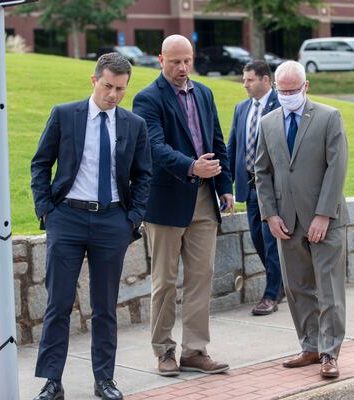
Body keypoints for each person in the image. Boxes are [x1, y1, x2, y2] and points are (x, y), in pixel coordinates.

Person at [30, 53, 152, 400]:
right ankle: (52, 381)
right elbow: (41, 164)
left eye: (120, 89)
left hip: (112, 221)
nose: (113, 94)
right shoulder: (65, 115)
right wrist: (46, 212)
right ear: (93, 80)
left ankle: (105, 380)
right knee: (59, 303)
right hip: (66, 218)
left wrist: (132, 219)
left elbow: (144, 175)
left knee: (105, 307)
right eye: (107, 86)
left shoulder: (133, 124)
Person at [132, 34, 234, 377]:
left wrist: (225, 186)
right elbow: (154, 148)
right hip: (166, 203)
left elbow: (217, 141)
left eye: (187, 60)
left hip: (205, 199)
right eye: (175, 61)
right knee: (165, 281)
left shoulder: (204, 93)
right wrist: (191, 166)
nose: (182, 67)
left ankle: (195, 350)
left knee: (201, 277)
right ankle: (164, 351)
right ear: (160, 60)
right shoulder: (147, 99)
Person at [254, 60, 349, 379]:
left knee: (329, 290)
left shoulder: (328, 117)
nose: (288, 95)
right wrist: (269, 214)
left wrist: (323, 214)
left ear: (305, 87)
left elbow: (337, 169)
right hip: (286, 222)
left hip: (326, 220)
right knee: (297, 288)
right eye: (282, 91)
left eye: (293, 90)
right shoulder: (267, 123)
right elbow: (262, 172)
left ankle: (329, 353)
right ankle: (309, 346)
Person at [226, 60, 285, 316]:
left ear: (265, 80)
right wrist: (224, 185)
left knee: (271, 241)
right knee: (258, 238)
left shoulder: (281, 105)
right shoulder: (242, 109)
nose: (245, 84)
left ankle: (271, 294)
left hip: (273, 187)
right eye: (244, 79)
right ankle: (281, 284)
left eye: (249, 79)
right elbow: (233, 147)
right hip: (249, 186)